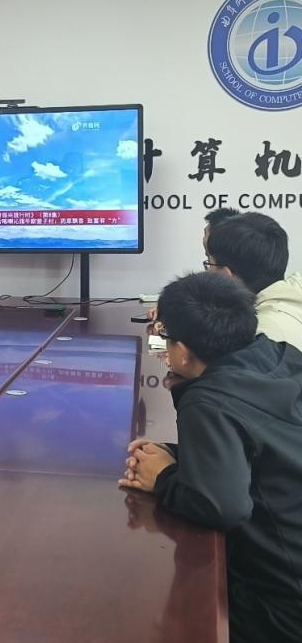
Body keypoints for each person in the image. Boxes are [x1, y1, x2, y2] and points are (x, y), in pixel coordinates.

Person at [119, 272, 302, 642]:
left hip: (282, 604)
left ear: (184, 352)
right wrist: (180, 455)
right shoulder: (281, 355)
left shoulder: (209, 400)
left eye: (165, 338)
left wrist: (164, 478)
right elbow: (264, 445)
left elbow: (221, 506)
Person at [205, 212, 302, 350]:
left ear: (227, 276)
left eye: (210, 263)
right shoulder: (294, 298)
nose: (207, 272)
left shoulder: (256, 341)